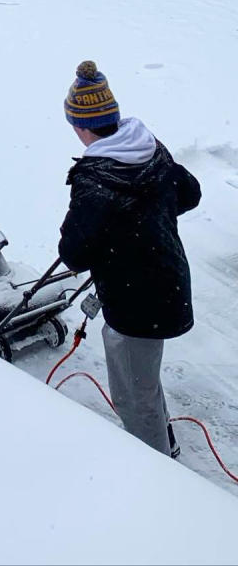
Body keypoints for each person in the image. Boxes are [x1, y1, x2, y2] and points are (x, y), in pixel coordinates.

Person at [58, 60, 201, 458]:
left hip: (136, 301)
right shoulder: (148, 148)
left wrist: (114, 233)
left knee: (132, 393)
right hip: (166, 279)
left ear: (82, 126)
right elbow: (189, 193)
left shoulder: (96, 179)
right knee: (144, 379)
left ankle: (156, 467)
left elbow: (74, 253)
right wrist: (147, 218)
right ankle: (163, 438)